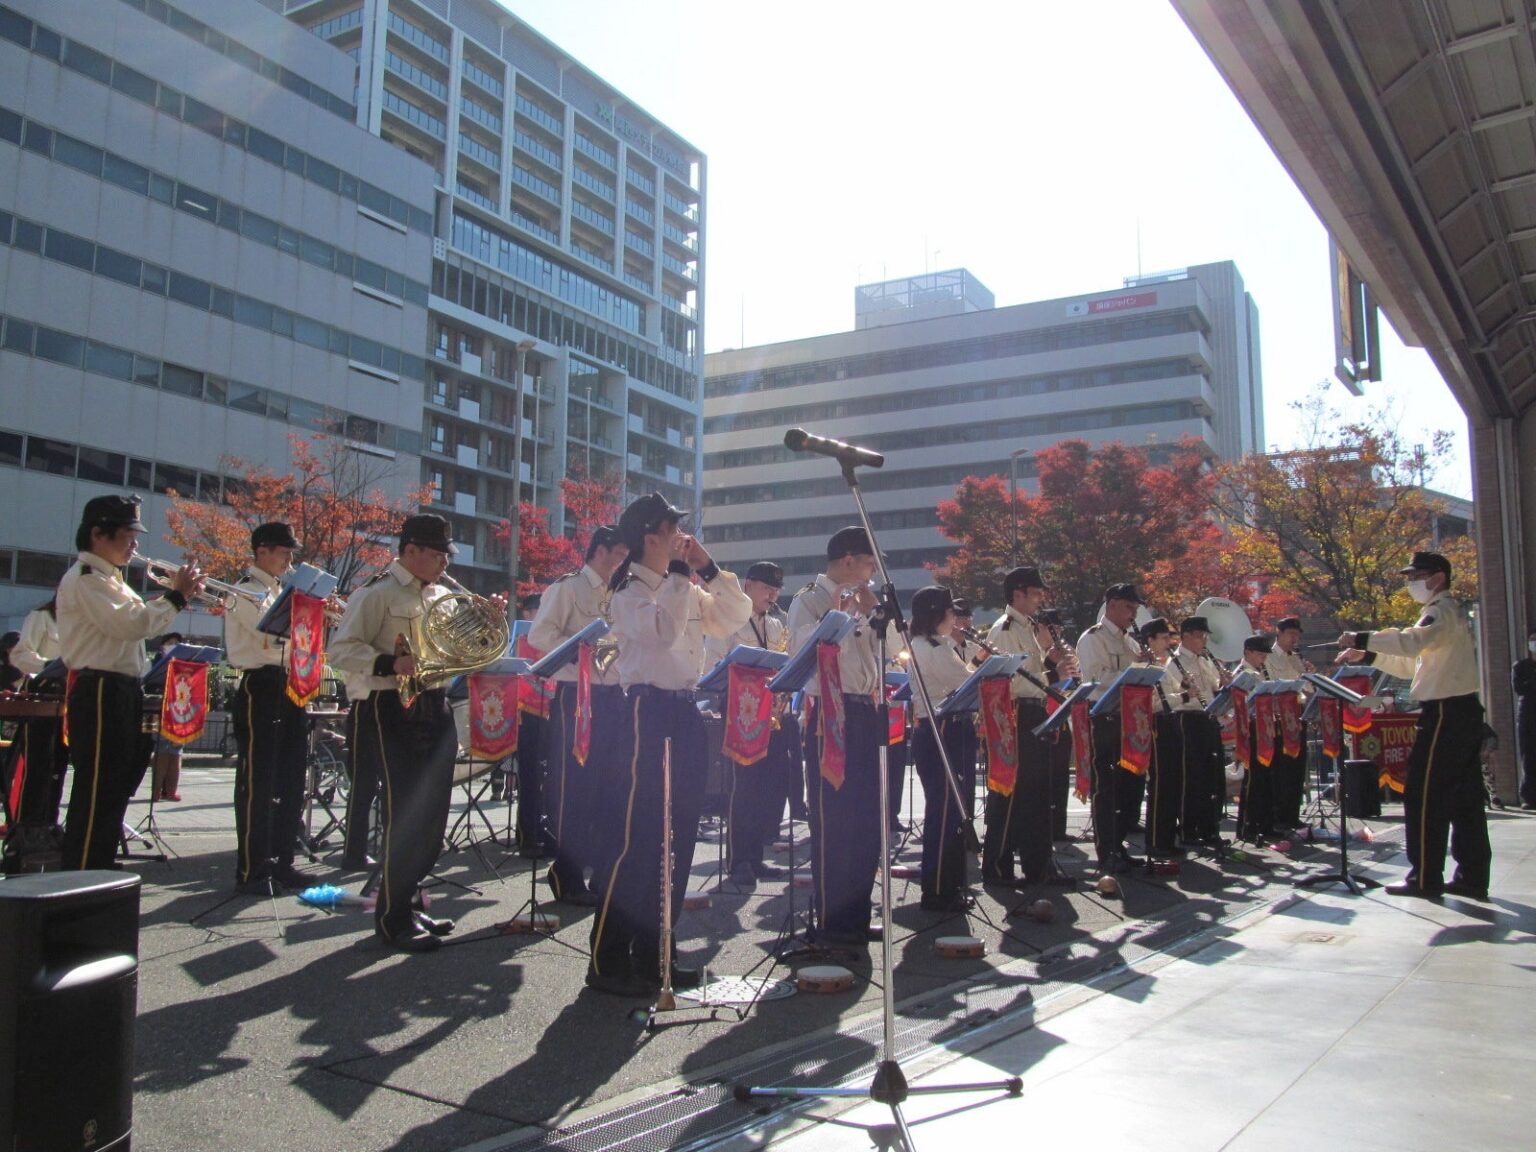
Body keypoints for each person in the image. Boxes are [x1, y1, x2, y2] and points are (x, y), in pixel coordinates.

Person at [587, 493, 750, 996]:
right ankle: (609, 959)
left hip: (684, 709)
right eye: (672, 529)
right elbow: (659, 636)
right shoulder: (628, 590)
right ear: (649, 538)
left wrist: (708, 568)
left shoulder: (685, 583)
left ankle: (657, 952)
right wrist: (681, 575)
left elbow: (735, 614)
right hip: (644, 711)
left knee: (677, 838)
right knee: (639, 838)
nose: (682, 536)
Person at [330, 514, 468, 952]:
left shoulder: (445, 595)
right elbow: (339, 650)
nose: (444, 562)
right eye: (437, 553)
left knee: (432, 815)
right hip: (390, 705)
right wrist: (389, 664)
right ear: (410, 551)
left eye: (446, 553)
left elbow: (457, 651)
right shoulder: (376, 593)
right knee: (403, 813)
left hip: (435, 703)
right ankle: (392, 918)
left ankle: (407, 901)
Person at [56, 494, 202, 869]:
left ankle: (99, 860)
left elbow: (138, 621)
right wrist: (177, 597)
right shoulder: (88, 579)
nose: (135, 545)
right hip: (99, 687)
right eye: (127, 535)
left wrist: (171, 599)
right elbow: (132, 625)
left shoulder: (111, 580)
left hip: (120, 688)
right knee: (99, 784)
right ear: (98, 534)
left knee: (119, 781)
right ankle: (84, 867)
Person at [1338, 550, 1491, 900]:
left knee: (1424, 795)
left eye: (1415, 577)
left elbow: (1410, 643)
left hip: (1446, 715)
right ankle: (1472, 874)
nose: (1411, 584)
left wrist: (1361, 638)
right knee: (1465, 799)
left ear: (1436, 578)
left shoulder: (1440, 612)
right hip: (1460, 713)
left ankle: (1424, 877)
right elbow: (1413, 666)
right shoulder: (1446, 615)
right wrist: (1372, 655)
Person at [788, 525, 887, 956]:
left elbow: (894, 651)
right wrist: (840, 618)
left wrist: (875, 614)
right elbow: (803, 655)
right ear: (848, 560)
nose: (872, 574)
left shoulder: (870, 601)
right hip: (828, 713)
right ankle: (830, 919)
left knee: (868, 819)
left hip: (866, 708)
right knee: (834, 819)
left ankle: (857, 914)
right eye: (868, 564)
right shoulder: (808, 598)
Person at [528, 525, 628, 905]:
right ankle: (566, 875)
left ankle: (604, 874)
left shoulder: (619, 592)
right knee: (575, 787)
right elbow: (541, 635)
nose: (623, 563)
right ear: (601, 551)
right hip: (578, 694)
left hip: (614, 695)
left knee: (611, 787)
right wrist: (581, 654)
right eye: (619, 554)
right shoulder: (568, 587)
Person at [225, 523, 312, 891]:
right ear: (262, 551)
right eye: (284, 551)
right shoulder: (244, 589)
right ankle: (252, 868)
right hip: (260, 683)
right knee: (258, 779)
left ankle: (282, 860)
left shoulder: (281, 590)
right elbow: (269, 634)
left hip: (289, 683)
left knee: (292, 777)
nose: (290, 559)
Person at [703, 560, 796, 887]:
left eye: (776, 589)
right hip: (740, 709)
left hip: (771, 712)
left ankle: (756, 857)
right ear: (748, 586)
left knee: (768, 788)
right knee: (744, 788)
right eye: (767, 588)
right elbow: (713, 666)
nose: (773, 594)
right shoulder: (730, 622)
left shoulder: (775, 626)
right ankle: (739, 859)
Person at [982, 566, 1075, 887]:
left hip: (1033, 710)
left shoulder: (1029, 627)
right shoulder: (1006, 629)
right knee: (1010, 794)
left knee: (1037, 794)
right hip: (1015, 714)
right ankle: (997, 866)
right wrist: (1049, 669)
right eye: (1035, 593)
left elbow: (1033, 679)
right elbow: (1008, 682)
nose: (1040, 599)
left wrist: (1054, 667)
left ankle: (1038, 866)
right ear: (1017, 594)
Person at [905, 586, 974, 910]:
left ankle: (947, 886)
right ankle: (938, 890)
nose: (955, 620)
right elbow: (964, 682)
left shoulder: (928, 644)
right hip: (940, 728)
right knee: (944, 811)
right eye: (950, 614)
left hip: (936, 730)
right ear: (938, 615)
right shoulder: (933, 647)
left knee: (945, 810)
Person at [1075, 583, 1147, 874]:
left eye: (1135, 609)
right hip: (1103, 716)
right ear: (1113, 605)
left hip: (1127, 719)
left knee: (1128, 787)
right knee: (1106, 788)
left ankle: (1119, 846)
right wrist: (1133, 673)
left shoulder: (1130, 641)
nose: (1133, 614)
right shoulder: (1094, 638)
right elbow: (1096, 676)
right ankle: (1107, 851)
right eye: (1129, 607)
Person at [1165, 616, 1225, 846]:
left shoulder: (1206, 660)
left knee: (1213, 776)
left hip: (1208, 716)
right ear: (1187, 636)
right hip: (1188, 718)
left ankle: (1210, 827)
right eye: (1200, 635)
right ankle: (1189, 829)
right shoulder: (1175, 662)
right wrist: (1186, 688)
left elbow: (1213, 688)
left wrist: (1223, 684)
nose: (1204, 640)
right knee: (1192, 776)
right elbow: (1176, 694)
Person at [1137, 617, 1185, 857]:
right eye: (1164, 638)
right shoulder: (1147, 667)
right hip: (1156, 724)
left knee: (1173, 781)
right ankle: (1156, 839)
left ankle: (1168, 837)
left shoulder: (1165, 667)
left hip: (1171, 721)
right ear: (1150, 640)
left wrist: (1185, 690)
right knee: (1161, 782)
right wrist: (1183, 696)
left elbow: (1175, 691)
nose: (1169, 642)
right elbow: (1155, 701)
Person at [1266, 617, 1311, 830]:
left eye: (1297, 635)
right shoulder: (1268, 656)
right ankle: (1278, 814)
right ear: (1280, 632)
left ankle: (1293, 813)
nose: (1295, 639)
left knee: (1297, 765)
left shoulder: (1297, 658)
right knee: (1281, 766)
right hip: (1280, 714)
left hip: (1297, 711)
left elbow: (1309, 689)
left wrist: (1310, 674)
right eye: (1291, 634)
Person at [1235, 634, 1278, 844]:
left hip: (1265, 726)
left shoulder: (1261, 672)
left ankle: (1266, 823)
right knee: (1253, 778)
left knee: (1267, 777)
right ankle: (1247, 826)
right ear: (1248, 653)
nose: (1263, 658)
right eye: (1260, 654)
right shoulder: (1241, 673)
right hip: (1251, 727)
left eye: (1264, 655)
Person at [148, 632, 186, 803]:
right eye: (170, 642)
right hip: (160, 711)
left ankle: (171, 790)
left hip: (179, 711)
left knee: (176, 753)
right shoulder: (156, 663)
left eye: (177, 643)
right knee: (162, 752)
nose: (173, 645)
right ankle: (156, 790)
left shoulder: (185, 666)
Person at [1512, 627, 1536, 811]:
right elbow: (1520, 689)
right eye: (1532, 640)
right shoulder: (1520, 666)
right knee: (1528, 755)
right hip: (1527, 715)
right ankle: (1528, 796)